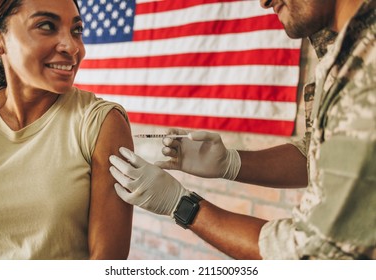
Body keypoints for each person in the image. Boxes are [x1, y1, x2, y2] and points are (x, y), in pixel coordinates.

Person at [109, 0, 376, 260]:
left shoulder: (368, 70)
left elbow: (316, 257)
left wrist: (180, 205)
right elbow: (317, 152)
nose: (264, 2)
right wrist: (231, 163)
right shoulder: (340, 51)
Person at [0, 0, 133, 259]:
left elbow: (107, 267)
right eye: (46, 26)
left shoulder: (101, 123)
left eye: (76, 30)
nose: (72, 47)